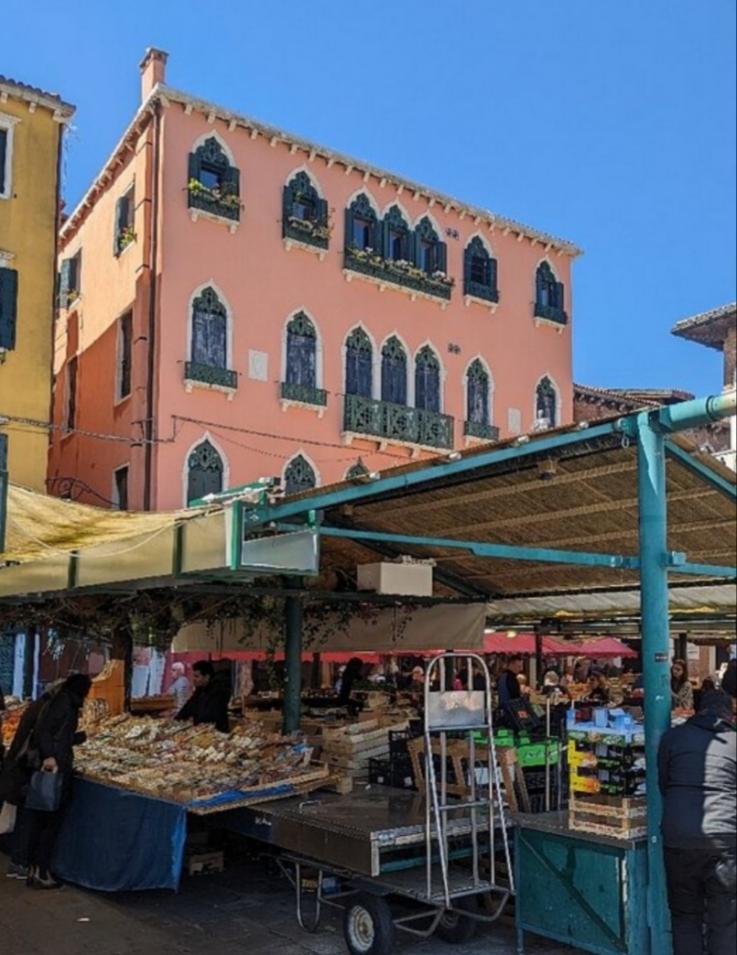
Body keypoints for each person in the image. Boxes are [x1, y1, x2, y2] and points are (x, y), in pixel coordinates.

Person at [658, 690, 736, 955]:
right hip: (724, 838)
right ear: (729, 713)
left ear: (696, 709)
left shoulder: (673, 737)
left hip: (678, 836)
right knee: (724, 919)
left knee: (684, 917)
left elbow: (664, 784)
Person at [25, 673, 91, 889]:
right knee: (51, 821)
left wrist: (78, 737)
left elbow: (58, 734)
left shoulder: (61, 701)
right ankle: (42, 872)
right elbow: (46, 732)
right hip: (56, 769)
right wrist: (50, 756)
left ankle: (35, 869)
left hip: (55, 764)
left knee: (42, 821)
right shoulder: (65, 704)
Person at [0, 686, 57, 879]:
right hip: (25, 769)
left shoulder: (36, 708)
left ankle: (19, 862)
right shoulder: (46, 711)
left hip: (17, 766)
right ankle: (21, 862)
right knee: (28, 816)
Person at [176, 660, 230, 733]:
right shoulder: (199, 690)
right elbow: (189, 707)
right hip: (202, 731)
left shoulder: (218, 691)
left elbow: (207, 715)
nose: (194, 679)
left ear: (207, 677)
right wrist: (177, 719)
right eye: (194, 676)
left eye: (197, 676)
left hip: (217, 733)